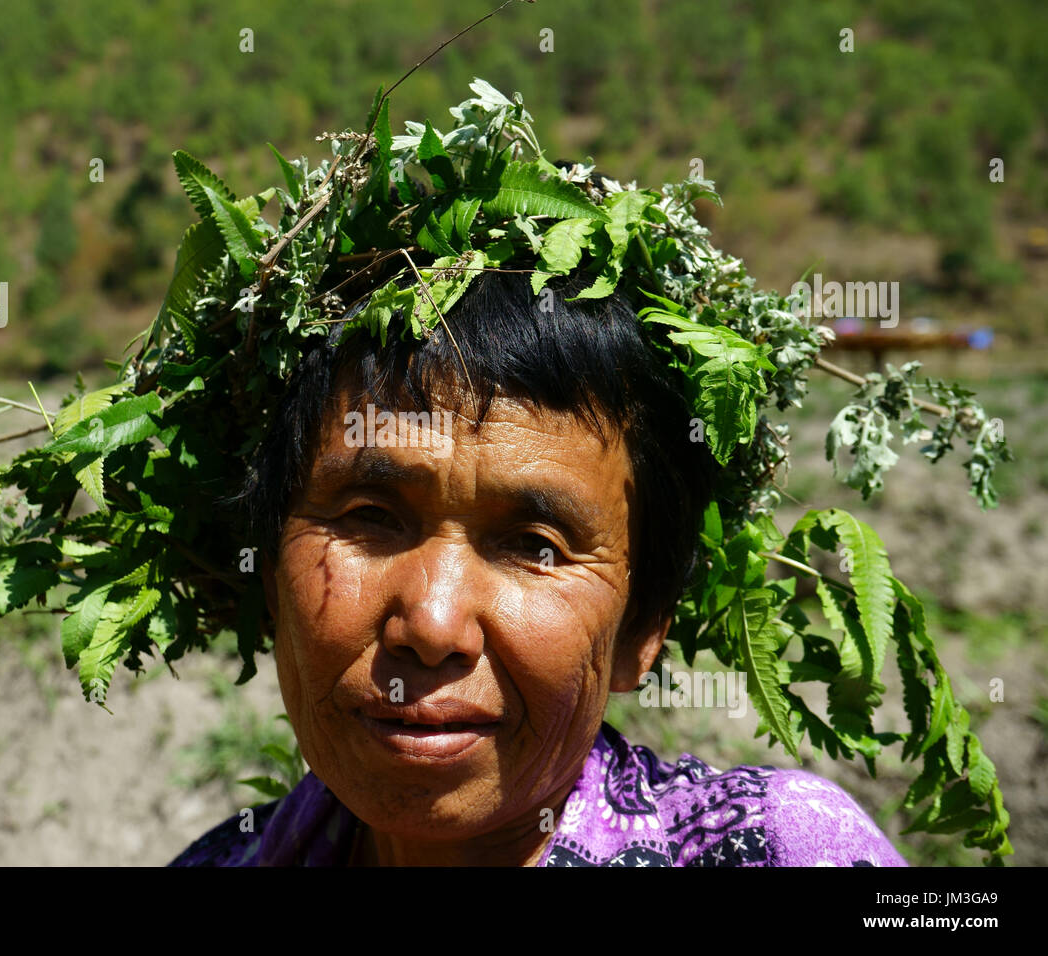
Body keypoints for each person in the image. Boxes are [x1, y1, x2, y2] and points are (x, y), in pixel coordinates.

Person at [169, 266, 907, 867]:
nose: (432, 625)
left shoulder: (777, 852)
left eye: (534, 545)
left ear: (641, 627)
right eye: (369, 517)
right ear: (269, 575)